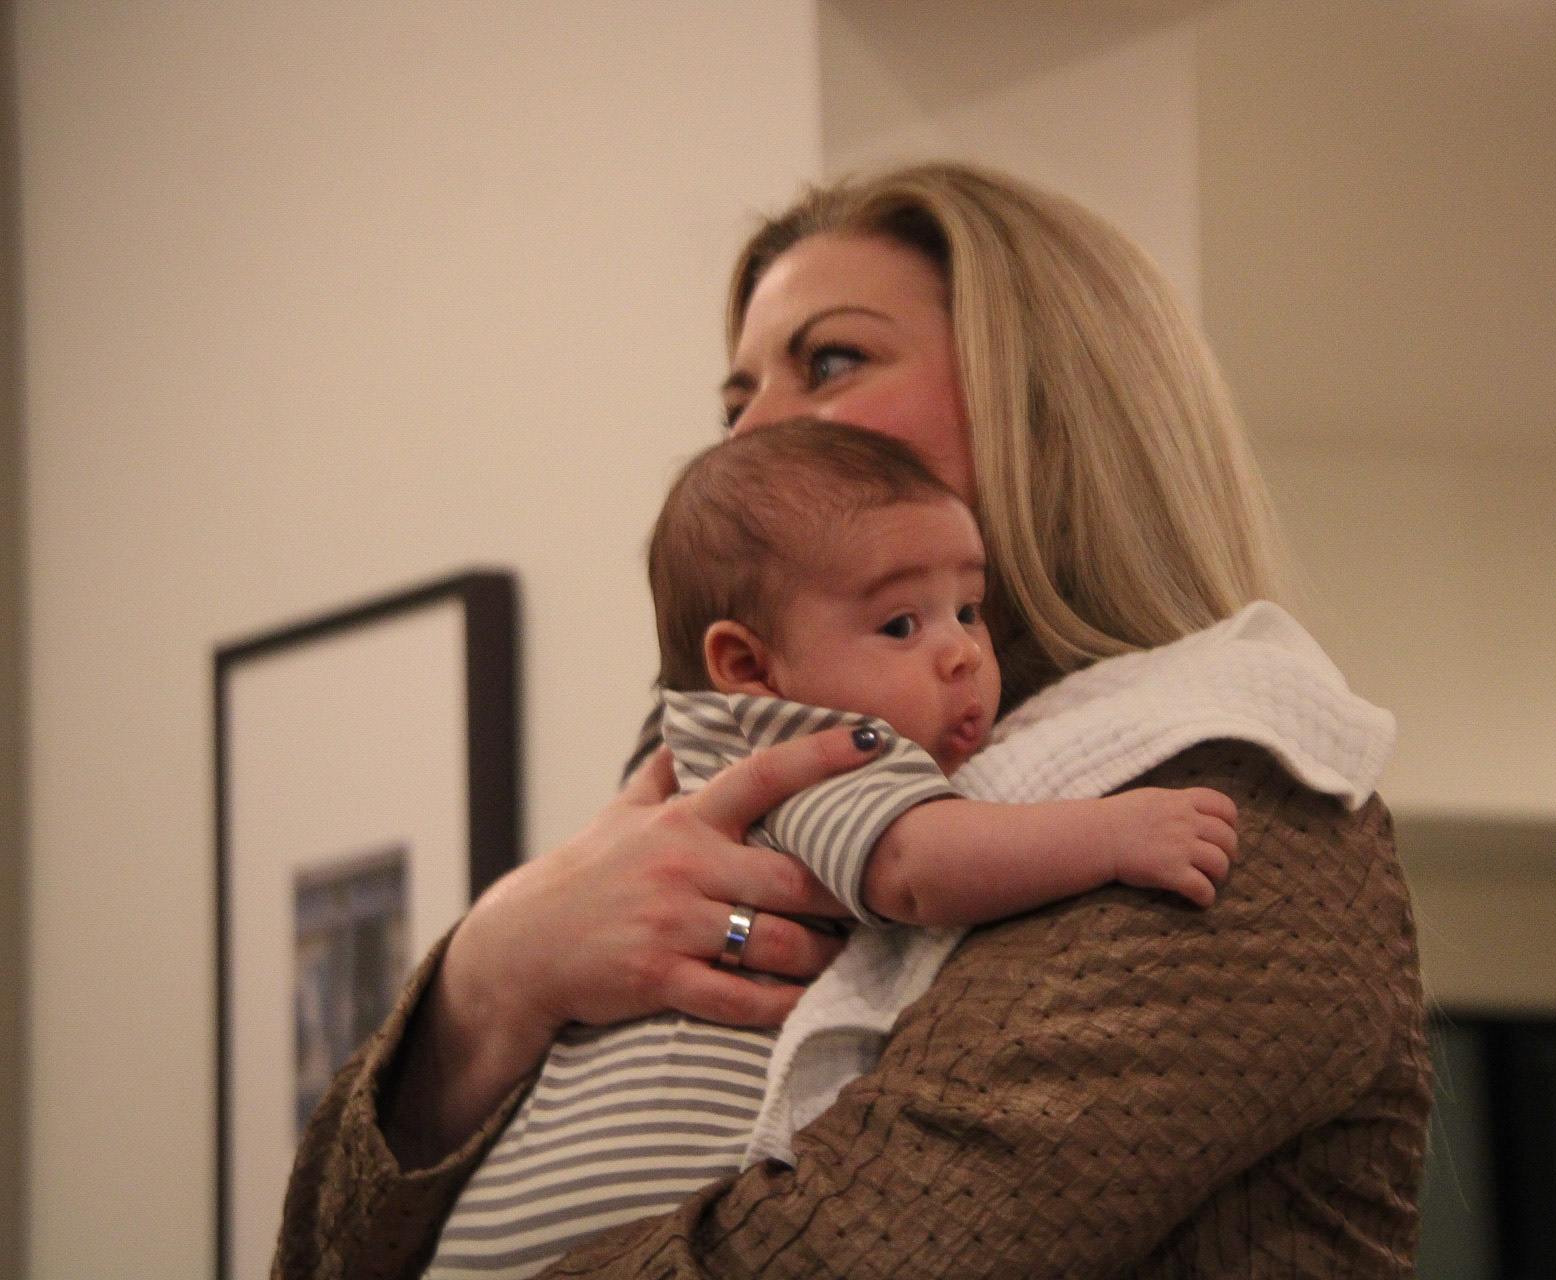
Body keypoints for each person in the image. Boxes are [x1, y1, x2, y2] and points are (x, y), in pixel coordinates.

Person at [275, 162, 1431, 1280]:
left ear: (1047, 412)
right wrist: (491, 974)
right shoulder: (717, 762)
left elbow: (857, 1246)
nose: (748, 436)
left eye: (830, 361)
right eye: (734, 400)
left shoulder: (1234, 787)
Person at [425, 419, 1239, 1279]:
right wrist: (1113, 833)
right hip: (610, 1221)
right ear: (749, 666)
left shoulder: (707, 763)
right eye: (900, 624)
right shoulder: (801, 750)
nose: (962, 653)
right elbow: (919, 867)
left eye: (969, 610)